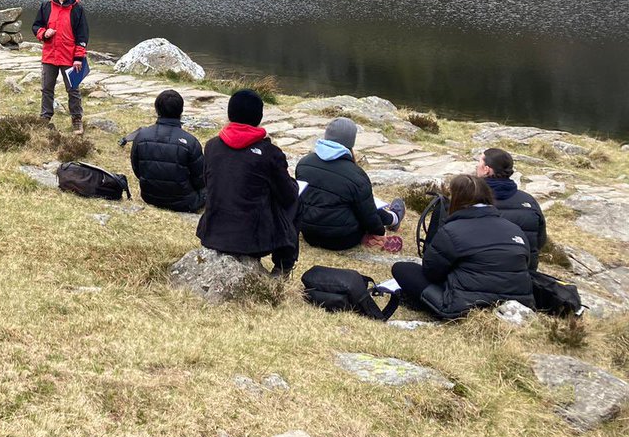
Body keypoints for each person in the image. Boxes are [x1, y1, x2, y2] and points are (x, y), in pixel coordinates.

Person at [392, 174, 534, 319]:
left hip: (465, 307)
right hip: (518, 303)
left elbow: (431, 272)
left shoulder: (452, 230)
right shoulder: (515, 229)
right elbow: (527, 266)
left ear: (457, 198)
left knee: (402, 269)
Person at [197, 89, 299, 276]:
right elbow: (288, 195)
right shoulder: (270, 153)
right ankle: (283, 265)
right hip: (252, 242)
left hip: (211, 233)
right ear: (259, 117)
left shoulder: (212, 146)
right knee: (293, 198)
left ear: (230, 114)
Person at [296, 118, 405, 251]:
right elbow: (368, 216)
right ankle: (393, 218)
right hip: (342, 239)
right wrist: (379, 232)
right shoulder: (356, 175)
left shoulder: (303, 163)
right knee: (366, 206)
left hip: (308, 233)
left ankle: (390, 219)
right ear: (350, 142)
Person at [130, 89, 205, 212]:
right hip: (186, 202)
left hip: (150, 196)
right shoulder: (190, 141)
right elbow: (200, 179)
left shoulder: (141, 136)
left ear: (157, 109)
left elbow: (137, 169)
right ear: (181, 111)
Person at [32, 0, 89, 134]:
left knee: (73, 89)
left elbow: (83, 36)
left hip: (69, 57)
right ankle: (45, 117)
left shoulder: (77, 9)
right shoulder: (46, 6)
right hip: (50, 55)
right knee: (47, 88)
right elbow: (36, 26)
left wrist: (78, 58)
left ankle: (77, 119)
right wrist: (44, 33)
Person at [476, 147, 547, 270]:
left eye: (479, 163)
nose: (476, 167)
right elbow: (540, 240)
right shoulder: (529, 201)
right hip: (522, 274)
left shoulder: (471, 198)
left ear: (486, 170)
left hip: (480, 273)